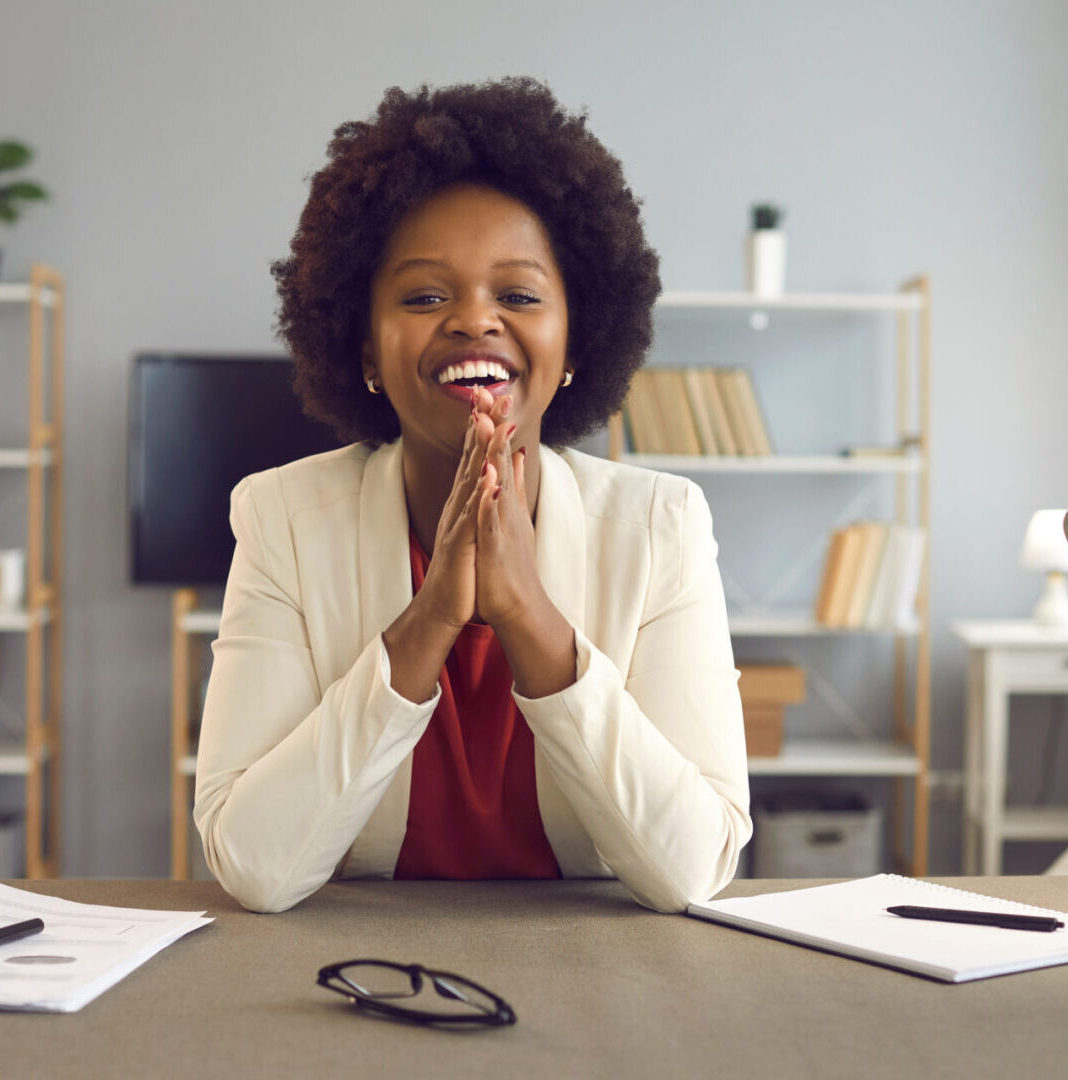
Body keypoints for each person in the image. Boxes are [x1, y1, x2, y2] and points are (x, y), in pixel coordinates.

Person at [195, 77, 749, 914]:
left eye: (519, 295)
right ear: (366, 351)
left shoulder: (661, 527)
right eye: (424, 296)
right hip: (362, 974)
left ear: (574, 345)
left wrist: (530, 616)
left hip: (600, 980)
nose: (473, 320)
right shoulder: (280, 520)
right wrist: (425, 627)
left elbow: (692, 868)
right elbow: (256, 869)